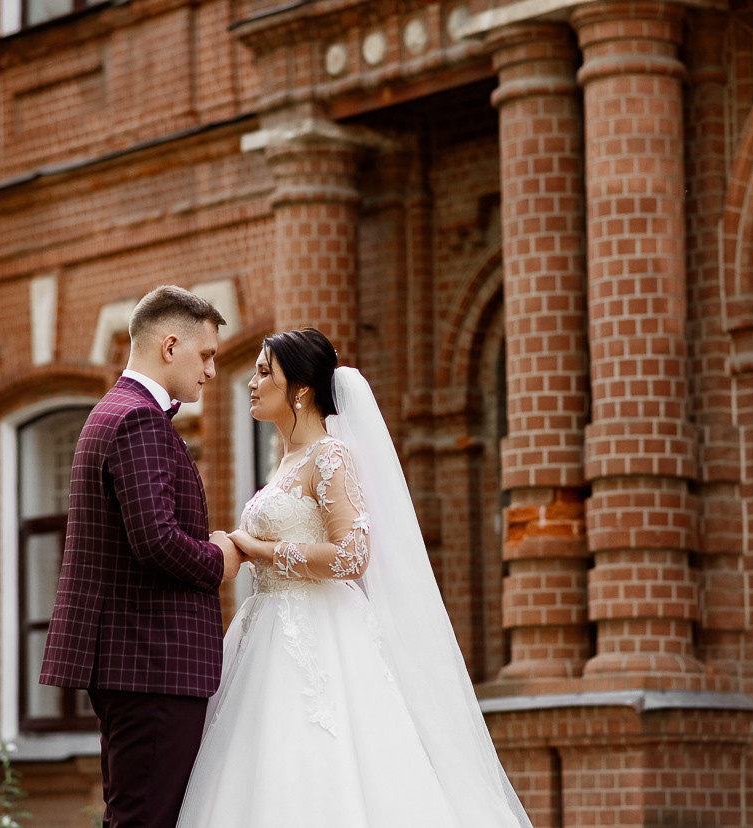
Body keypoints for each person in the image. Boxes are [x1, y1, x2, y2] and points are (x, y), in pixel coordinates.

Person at [177, 328, 534, 828]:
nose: (252, 384)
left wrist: (258, 549)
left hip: (318, 631)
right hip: (266, 630)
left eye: (263, 372)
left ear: (301, 389)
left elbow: (352, 555)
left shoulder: (329, 456)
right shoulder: (287, 460)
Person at [39, 285, 243, 828]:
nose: (211, 371)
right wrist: (218, 559)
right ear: (170, 346)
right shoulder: (138, 419)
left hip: (137, 663)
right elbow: (155, 539)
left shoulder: (116, 411)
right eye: (206, 355)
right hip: (153, 663)